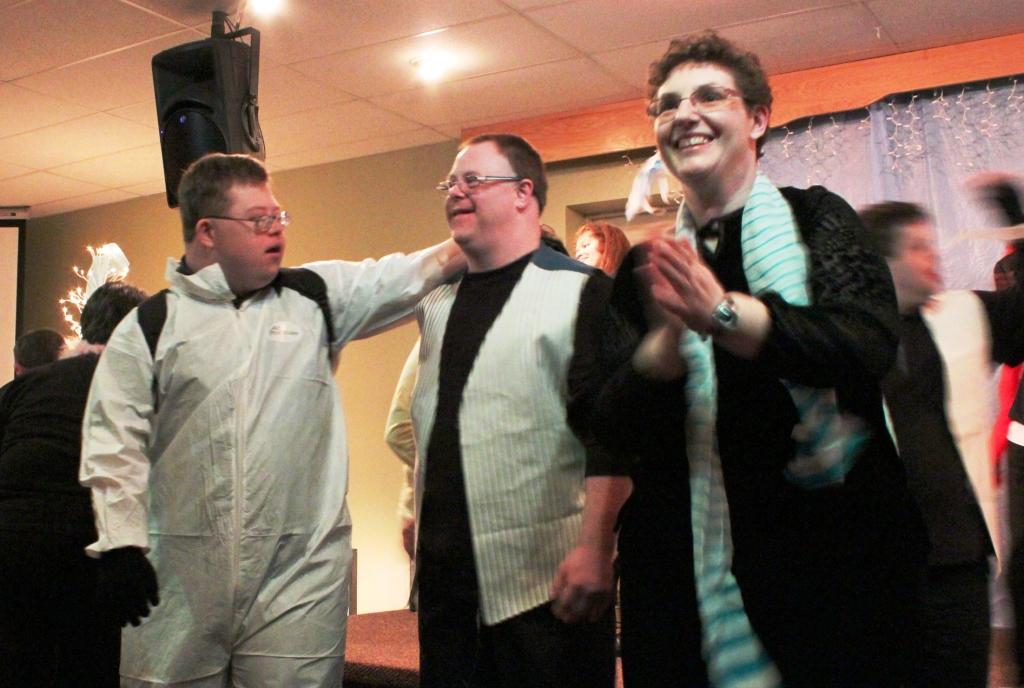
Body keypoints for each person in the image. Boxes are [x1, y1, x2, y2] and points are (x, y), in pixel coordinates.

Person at [594, 31, 927, 687]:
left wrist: (722, 314)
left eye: (709, 96)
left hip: (834, 564)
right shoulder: (645, 269)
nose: (684, 114)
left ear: (757, 118)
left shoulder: (815, 219)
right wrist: (665, 349)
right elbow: (606, 423)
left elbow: (865, 343)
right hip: (685, 579)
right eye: (668, 105)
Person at [79, 152, 465, 688]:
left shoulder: (314, 297)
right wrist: (120, 542)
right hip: (182, 578)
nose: (277, 229)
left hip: (298, 578)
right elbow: (113, 445)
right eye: (259, 219)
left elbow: (411, 272)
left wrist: (482, 232)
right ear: (208, 231)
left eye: (279, 216)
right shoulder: (150, 327)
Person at [410, 133, 626, 688]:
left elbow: (615, 435)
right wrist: (416, 507)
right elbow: (436, 418)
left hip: (548, 591)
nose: (456, 191)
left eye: (474, 180)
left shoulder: (586, 293)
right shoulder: (436, 303)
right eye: (451, 183)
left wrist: (596, 548)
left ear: (524, 193)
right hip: (448, 592)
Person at [860, 200, 1024, 687]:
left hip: (958, 560)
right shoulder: (847, 334)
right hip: (880, 567)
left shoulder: (962, 312)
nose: (933, 256)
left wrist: (1014, 219)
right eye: (917, 247)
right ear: (882, 262)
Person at [0, 282, 146, 688]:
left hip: (10, 541)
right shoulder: (135, 387)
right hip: (85, 544)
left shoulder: (27, 385)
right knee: (87, 665)